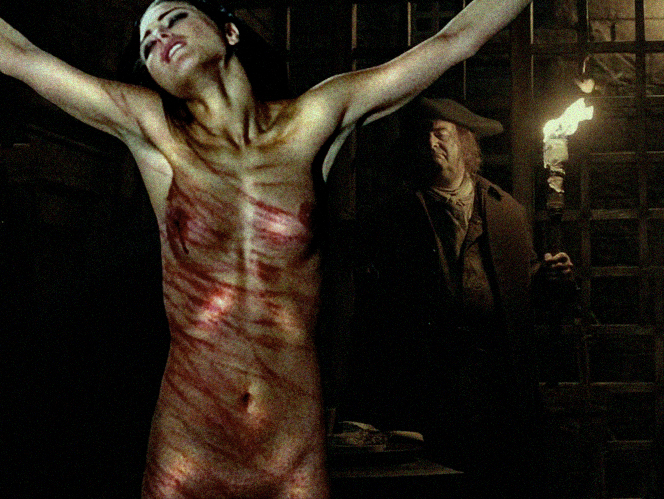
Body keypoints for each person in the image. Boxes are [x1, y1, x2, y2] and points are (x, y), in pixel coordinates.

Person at [0, 1, 532, 498]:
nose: (159, 36)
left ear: (229, 31)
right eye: (146, 43)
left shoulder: (311, 121)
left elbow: (455, 39)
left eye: (174, 18)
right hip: (188, 445)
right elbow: (22, 56)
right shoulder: (158, 133)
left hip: (290, 450)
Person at [343, 97, 575, 499]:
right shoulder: (395, 215)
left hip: (495, 388)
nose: (431, 143)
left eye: (441, 133)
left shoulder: (505, 212)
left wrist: (551, 278)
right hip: (426, 387)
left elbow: (523, 292)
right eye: (423, 136)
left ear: (464, 143)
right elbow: (375, 311)